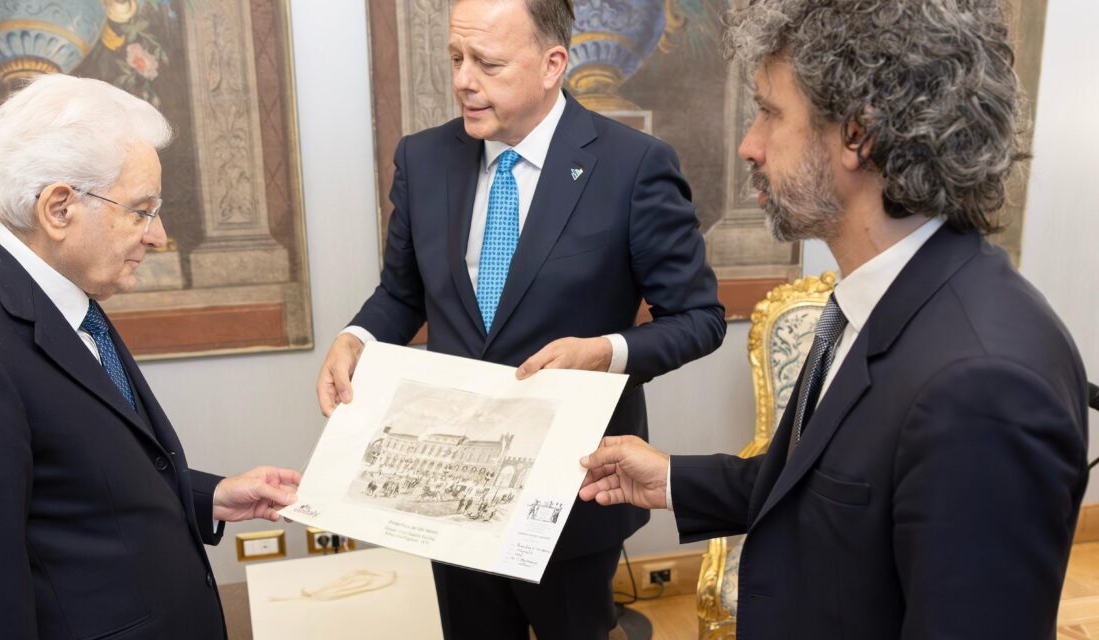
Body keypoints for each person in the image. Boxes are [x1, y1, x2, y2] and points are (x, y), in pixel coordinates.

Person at [578, 1, 1089, 637]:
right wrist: (673, 479)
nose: (749, 145)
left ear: (859, 136)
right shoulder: (882, 297)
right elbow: (822, 487)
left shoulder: (983, 387)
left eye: (770, 112)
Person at [315, 0, 725, 636]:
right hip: (449, 485)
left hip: (571, 491)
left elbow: (699, 318)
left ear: (552, 64)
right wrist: (356, 337)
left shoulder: (632, 166)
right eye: (456, 58)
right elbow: (401, 294)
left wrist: (605, 352)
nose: (463, 80)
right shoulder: (422, 159)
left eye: (488, 63)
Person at [0, 74, 301, 639]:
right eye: (142, 210)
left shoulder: (50, 285)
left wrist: (208, 496)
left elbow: (74, 483)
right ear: (59, 208)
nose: (158, 235)